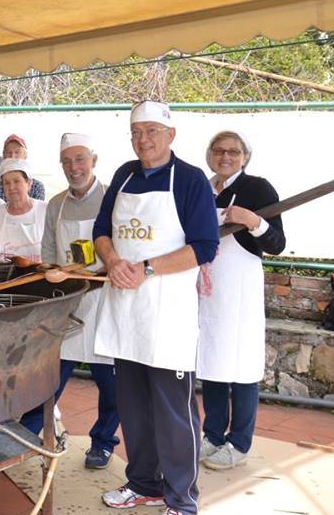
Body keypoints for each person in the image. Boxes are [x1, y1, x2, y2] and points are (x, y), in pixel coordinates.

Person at [93, 101, 218, 515]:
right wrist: (112, 261)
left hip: (166, 315)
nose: (143, 140)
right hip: (126, 311)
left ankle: (182, 499)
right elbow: (101, 230)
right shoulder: (123, 175)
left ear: (170, 134)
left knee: (173, 411)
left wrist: (146, 269)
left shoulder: (190, 180)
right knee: (133, 406)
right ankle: (143, 482)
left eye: (151, 131)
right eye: (136, 132)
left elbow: (204, 246)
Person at [197, 130, 285, 471]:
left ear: (245, 156)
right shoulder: (202, 189)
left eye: (233, 151)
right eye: (218, 150)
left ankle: (239, 441)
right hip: (208, 289)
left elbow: (277, 243)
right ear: (210, 155)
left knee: (242, 366)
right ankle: (214, 434)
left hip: (241, 290)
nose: (225, 156)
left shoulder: (258, 188)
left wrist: (253, 221)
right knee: (214, 363)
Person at [40, 133, 118, 469]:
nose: (74, 168)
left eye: (80, 159)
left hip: (104, 301)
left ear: (94, 160)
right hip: (68, 302)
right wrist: (54, 274)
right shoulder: (55, 205)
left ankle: (102, 443)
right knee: (49, 377)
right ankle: (31, 434)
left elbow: (121, 249)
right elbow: (46, 253)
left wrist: (96, 274)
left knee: (110, 383)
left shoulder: (113, 199)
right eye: (67, 161)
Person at [0, 158, 46, 261]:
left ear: (29, 183)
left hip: (39, 275)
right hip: (3, 275)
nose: (11, 187)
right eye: (6, 183)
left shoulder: (44, 210)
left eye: (16, 181)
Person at [1, 134, 46, 201]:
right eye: (9, 152)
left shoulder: (37, 187)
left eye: (17, 152)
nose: (13, 156)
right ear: (3, 156)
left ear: (25, 156)